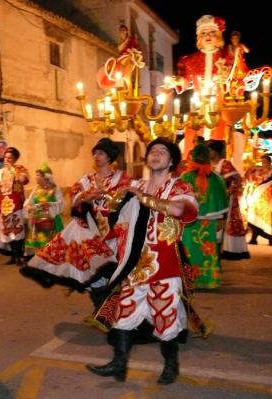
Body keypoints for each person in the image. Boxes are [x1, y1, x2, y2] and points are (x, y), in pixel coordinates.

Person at [86, 138, 199, 385]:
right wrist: (103, 200)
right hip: (134, 267)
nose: (156, 154)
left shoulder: (179, 188)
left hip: (165, 267)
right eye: (152, 151)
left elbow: (185, 211)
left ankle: (171, 364)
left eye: (162, 152)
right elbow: (111, 217)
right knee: (123, 315)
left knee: (165, 319)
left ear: (171, 162)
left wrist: (144, 198)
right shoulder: (134, 185)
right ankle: (119, 365)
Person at [21, 138, 130, 300]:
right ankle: (99, 305)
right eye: (95, 153)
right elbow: (74, 201)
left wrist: (111, 196)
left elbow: (130, 199)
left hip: (113, 230)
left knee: (114, 268)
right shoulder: (86, 180)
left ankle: (113, 306)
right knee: (94, 268)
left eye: (101, 153)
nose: (96, 156)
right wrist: (88, 196)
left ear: (109, 157)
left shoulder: (121, 178)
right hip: (89, 231)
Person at [168, 15, 233, 157]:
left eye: (212, 32)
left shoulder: (227, 57)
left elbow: (234, 79)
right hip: (197, 111)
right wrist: (177, 81)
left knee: (219, 145)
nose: (207, 36)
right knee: (192, 142)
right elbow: (185, 80)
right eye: (203, 33)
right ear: (198, 38)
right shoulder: (191, 60)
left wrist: (226, 76)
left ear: (219, 36)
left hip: (220, 111)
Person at [181, 144, 228, 289]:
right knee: (207, 250)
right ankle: (208, 281)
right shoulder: (215, 178)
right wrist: (221, 219)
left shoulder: (185, 176)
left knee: (189, 249)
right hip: (209, 222)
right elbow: (221, 200)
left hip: (190, 221)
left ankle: (190, 280)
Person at [208, 140, 250, 259]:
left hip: (225, 199)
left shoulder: (224, 163)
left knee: (225, 224)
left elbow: (236, 179)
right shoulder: (207, 165)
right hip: (211, 199)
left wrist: (228, 192)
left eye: (210, 151)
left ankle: (227, 250)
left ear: (216, 152)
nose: (208, 153)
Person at [0, 146, 29, 265]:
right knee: (7, 230)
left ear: (15, 159)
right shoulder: (0, 172)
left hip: (16, 202)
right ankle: (13, 255)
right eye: (5, 157)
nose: (6, 160)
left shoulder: (19, 169)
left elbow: (24, 180)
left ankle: (18, 256)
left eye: (10, 158)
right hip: (3, 203)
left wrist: (13, 171)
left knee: (17, 228)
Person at [23, 163, 65, 253]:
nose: (36, 177)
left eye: (38, 175)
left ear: (45, 177)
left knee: (52, 246)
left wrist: (49, 204)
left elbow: (61, 204)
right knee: (40, 247)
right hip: (37, 221)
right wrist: (28, 206)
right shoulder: (36, 188)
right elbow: (29, 200)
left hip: (51, 221)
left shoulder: (55, 189)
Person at [243, 155, 272, 246]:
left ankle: (271, 240)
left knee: (269, 219)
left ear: (269, 162)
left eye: (265, 162)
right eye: (262, 162)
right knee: (255, 218)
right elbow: (250, 178)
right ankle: (254, 239)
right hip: (259, 198)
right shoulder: (259, 171)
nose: (263, 164)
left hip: (269, 200)